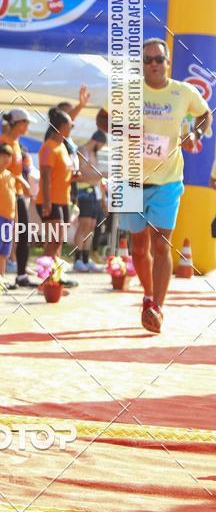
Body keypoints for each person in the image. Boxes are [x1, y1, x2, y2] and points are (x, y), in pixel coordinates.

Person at [97, 38, 211, 333]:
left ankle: (156, 309)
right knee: (138, 247)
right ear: (141, 64)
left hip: (168, 180)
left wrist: (195, 135)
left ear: (168, 61)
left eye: (158, 59)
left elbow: (204, 114)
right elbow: (102, 118)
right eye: (147, 60)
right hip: (130, 178)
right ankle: (147, 295)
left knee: (162, 245)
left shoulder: (183, 92)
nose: (153, 65)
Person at [0, 108, 33, 286]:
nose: (27, 126)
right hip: (4, 195)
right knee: (1, 236)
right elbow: (1, 169)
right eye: (25, 122)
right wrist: (22, 181)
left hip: (16, 193)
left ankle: (21, 274)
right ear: (17, 123)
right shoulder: (2, 142)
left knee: (23, 234)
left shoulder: (17, 143)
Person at [37, 110, 74, 270]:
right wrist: (47, 203)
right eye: (70, 124)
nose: (72, 127)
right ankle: (45, 279)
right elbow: (45, 177)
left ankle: (54, 279)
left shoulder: (62, 146)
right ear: (62, 126)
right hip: (50, 200)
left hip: (63, 199)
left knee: (58, 241)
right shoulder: (48, 147)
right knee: (53, 240)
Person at [72, 130, 107, 272]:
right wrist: (101, 174)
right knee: (84, 225)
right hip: (83, 192)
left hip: (93, 192)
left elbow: (93, 177)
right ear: (97, 141)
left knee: (91, 226)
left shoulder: (93, 154)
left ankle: (86, 258)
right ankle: (78, 258)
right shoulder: (82, 151)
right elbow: (82, 174)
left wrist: (103, 199)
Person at [0, 144, 17, 277]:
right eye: (3, 155)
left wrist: (15, 220)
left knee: (4, 252)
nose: (6, 159)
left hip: (9, 219)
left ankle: (0, 280)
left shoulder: (11, 176)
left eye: (9, 156)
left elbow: (14, 200)